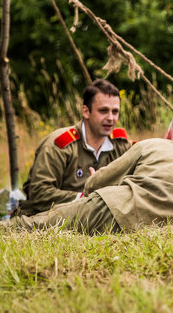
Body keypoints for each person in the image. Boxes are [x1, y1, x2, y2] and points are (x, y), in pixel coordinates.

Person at [10, 112, 173, 233]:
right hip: (148, 229)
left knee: (40, 225)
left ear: (168, 134)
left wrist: (92, 179)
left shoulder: (151, 144)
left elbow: (96, 182)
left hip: (116, 211)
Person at [17, 78, 131, 217]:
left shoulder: (121, 145)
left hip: (99, 218)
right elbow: (39, 192)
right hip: (51, 219)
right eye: (103, 111)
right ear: (86, 111)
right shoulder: (59, 145)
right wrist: (85, 197)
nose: (111, 118)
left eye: (115, 112)